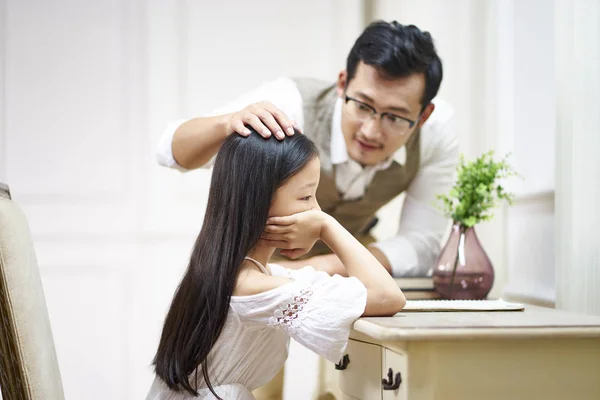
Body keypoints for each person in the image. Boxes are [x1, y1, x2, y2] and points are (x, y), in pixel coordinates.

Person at [156, 20, 459, 279]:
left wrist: (317, 271)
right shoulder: (290, 104)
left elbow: (421, 243)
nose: (371, 130)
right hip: (260, 263)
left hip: (348, 261)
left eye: (394, 117)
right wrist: (226, 123)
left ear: (424, 116)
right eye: (363, 106)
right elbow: (170, 151)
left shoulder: (436, 137)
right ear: (343, 84)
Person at [146, 131, 406, 399]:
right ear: (260, 200)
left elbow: (370, 289)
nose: (314, 211)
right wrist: (326, 226)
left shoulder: (244, 275)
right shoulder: (250, 286)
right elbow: (388, 297)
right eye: (306, 197)